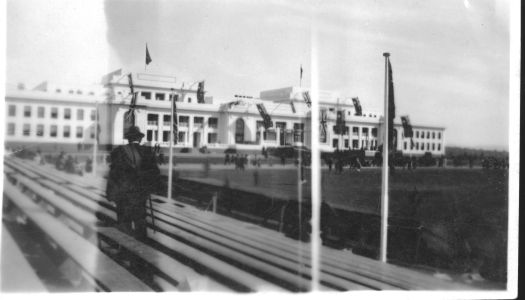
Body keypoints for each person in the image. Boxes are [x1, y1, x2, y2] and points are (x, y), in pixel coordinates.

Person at [106, 126, 161, 241]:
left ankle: (124, 250)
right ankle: (142, 250)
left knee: (124, 222)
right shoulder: (147, 152)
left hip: (123, 194)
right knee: (140, 221)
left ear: (128, 139)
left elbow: (113, 174)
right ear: (139, 139)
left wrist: (111, 194)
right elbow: (155, 173)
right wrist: (149, 188)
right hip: (140, 194)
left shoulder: (118, 151)